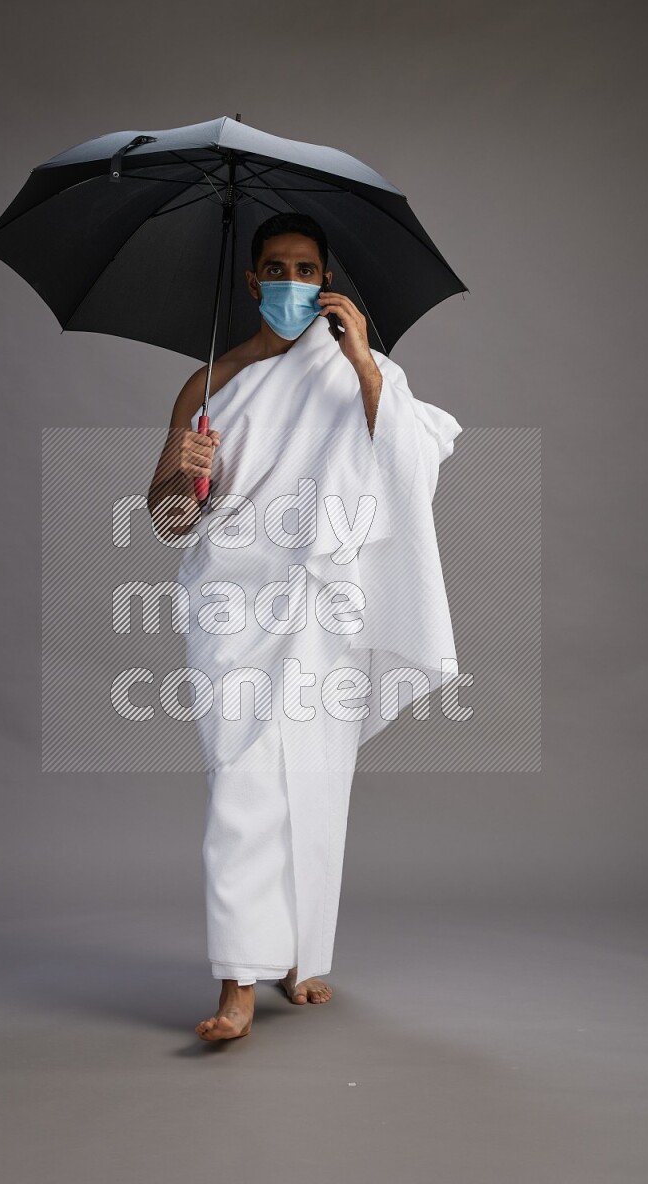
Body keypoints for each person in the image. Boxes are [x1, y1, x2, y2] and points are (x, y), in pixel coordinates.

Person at [148, 213, 462, 1041]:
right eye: (276, 269)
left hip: (323, 608)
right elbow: (169, 520)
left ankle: (297, 956)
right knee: (241, 780)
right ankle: (236, 981)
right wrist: (189, 478)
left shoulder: (359, 371)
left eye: (306, 269)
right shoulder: (209, 385)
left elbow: (414, 462)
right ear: (252, 282)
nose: (291, 283)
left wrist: (362, 360)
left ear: (326, 280)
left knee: (315, 781)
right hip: (231, 608)